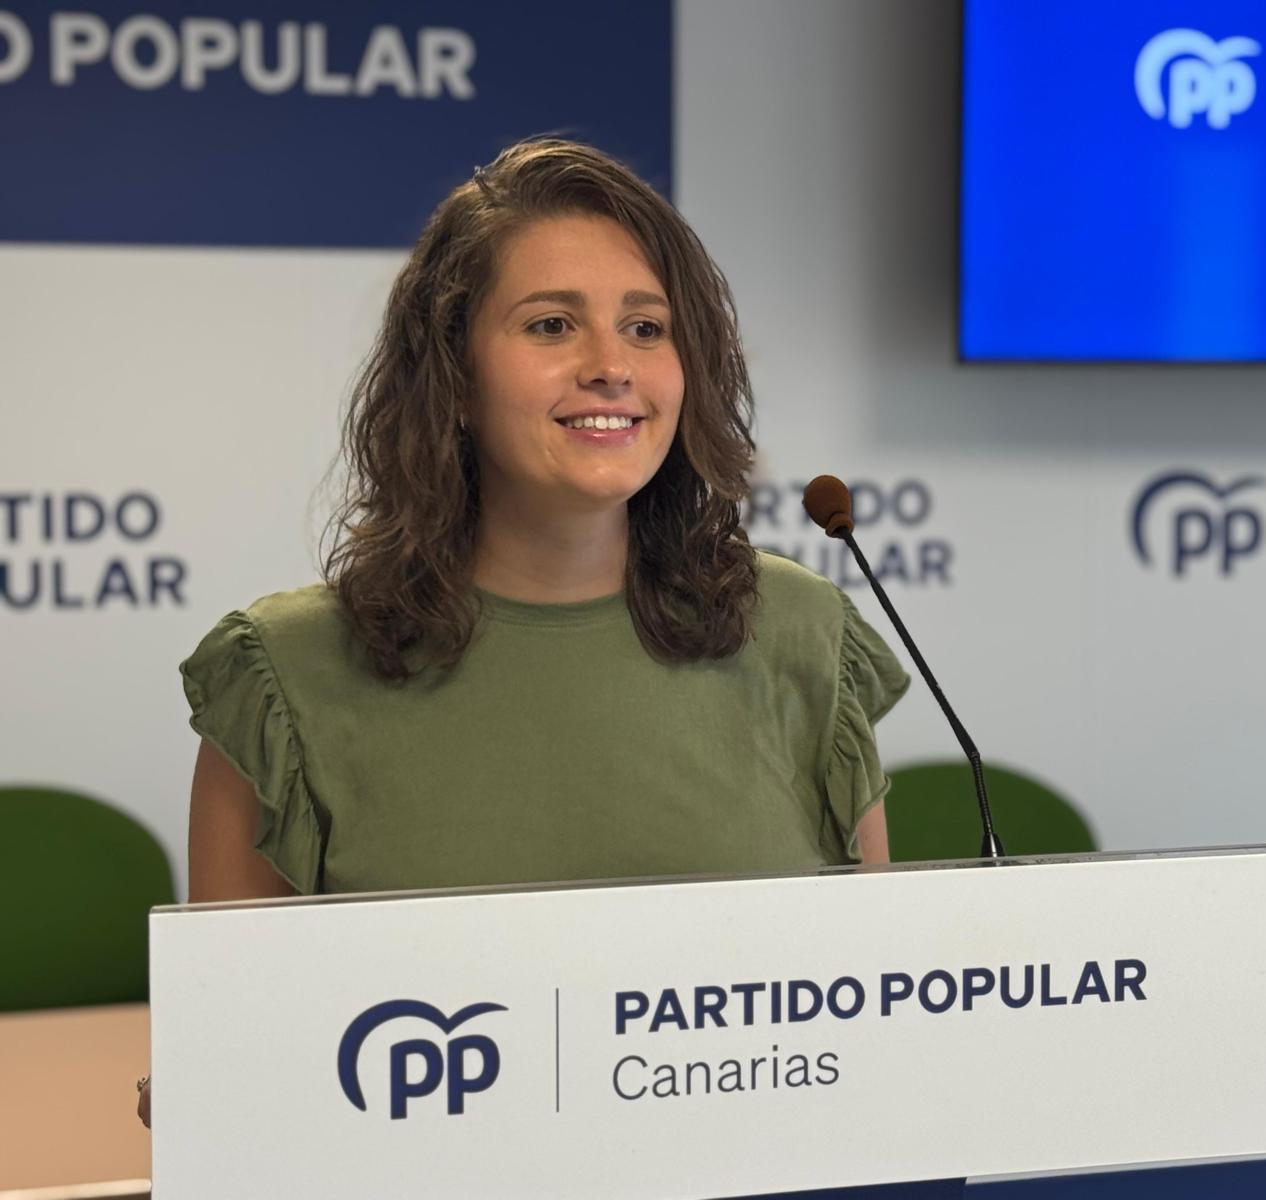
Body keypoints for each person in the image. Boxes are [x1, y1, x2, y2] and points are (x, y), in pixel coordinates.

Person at [137, 138, 908, 1127]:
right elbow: (241, 1079)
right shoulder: (283, 676)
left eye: (646, 328)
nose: (610, 368)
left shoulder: (801, 632)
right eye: (551, 325)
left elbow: (871, 1023)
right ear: (452, 376)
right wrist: (213, 1085)